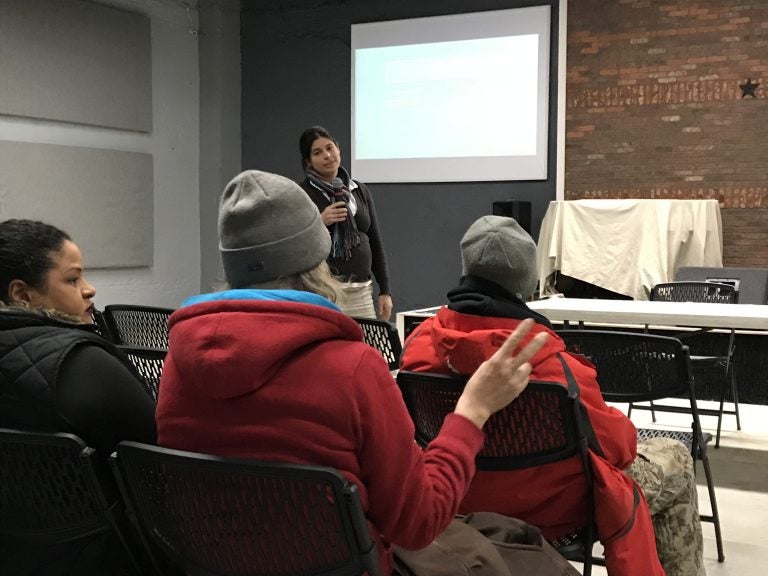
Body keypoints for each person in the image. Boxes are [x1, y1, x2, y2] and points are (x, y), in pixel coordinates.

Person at [155, 170, 580, 576]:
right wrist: (472, 411)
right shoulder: (353, 367)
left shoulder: (175, 366)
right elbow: (418, 525)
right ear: (316, 262)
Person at [400, 215, 706, 576]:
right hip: (559, 513)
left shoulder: (417, 349)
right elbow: (618, 450)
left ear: (464, 269)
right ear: (527, 284)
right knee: (676, 455)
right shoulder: (555, 365)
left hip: (457, 500)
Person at [0, 219, 158, 576]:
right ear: (21, 295)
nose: (89, 290)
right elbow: (157, 458)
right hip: (109, 553)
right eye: (72, 279)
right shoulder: (81, 365)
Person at [298, 125, 393, 321]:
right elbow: (294, 244)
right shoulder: (302, 194)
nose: (327, 155)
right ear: (308, 161)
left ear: (338, 149)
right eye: (318, 152)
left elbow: (375, 241)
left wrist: (385, 290)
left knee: (365, 349)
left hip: (362, 290)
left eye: (330, 148)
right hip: (325, 293)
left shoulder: (358, 190)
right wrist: (320, 223)